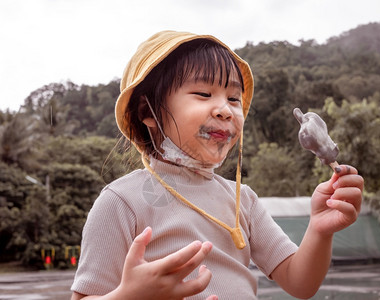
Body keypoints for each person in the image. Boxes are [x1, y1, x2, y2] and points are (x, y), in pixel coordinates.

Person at [70, 30, 364, 300]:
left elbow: (300, 283)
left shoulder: (242, 199)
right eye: (203, 94)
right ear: (148, 110)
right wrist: (128, 295)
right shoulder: (121, 202)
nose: (226, 110)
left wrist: (320, 229)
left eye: (234, 98)